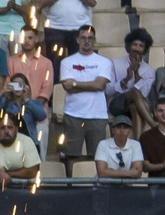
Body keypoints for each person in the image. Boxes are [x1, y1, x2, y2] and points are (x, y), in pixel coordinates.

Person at [58, 24, 112, 175]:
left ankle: (95, 185)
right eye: (83, 38)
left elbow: (100, 85)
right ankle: (72, 185)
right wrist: (91, 85)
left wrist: (75, 84)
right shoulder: (67, 62)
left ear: (94, 40)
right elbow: (67, 87)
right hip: (73, 114)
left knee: (97, 156)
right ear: (77, 40)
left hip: (97, 115)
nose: (86, 41)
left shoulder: (104, 62)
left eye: (90, 38)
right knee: (71, 155)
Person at [107, 28, 157, 136]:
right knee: (134, 92)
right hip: (117, 104)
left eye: (141, 46)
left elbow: (144, 94)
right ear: (129, 46)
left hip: (138, 105)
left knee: (134, 106)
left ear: (144, 49)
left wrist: (137, 73)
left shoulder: (149, 71)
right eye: (135, 45)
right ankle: (155, 127)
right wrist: (126, 79)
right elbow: (108, 89)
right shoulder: (115, 63)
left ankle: (137, 142)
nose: (137, 48)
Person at [0, 73, 48, 158]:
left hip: (30, 143)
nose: (18, 87)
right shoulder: (6, 103)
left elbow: (42, 116)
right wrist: (2, 93)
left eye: (20, 84)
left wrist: (27, 100)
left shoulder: (33, 103)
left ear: (26, 86)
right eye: (15, 84)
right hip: (11, 143)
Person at [94, 115, 144, 179]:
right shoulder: (103, 144)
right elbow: (102, 173)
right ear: (113, 130)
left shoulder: (136, 144)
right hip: (105, 184)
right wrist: (130, 172)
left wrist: (110, 171)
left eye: (125, 127)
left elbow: (138, 173)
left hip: (127, 184)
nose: (122, 130)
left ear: (130, 130)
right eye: (118, 127)